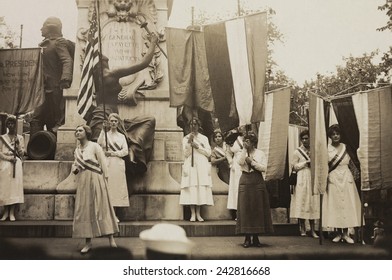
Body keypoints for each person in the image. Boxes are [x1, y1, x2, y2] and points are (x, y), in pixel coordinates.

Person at [86, 33, 158, 175]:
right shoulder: (110, 74)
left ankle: (131, 148)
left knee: (148, 120)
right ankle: (131, 152)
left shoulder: (95, 78)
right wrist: (153, 43)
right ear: (104, 63)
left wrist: (90, 42)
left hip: (107, 116)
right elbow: (144, 63)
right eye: (106, 61)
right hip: (105, 116)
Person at [71, 124, 118, 254]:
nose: (77, 132)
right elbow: (76, 165)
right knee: (85, 209)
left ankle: (111, 240)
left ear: (86, 132)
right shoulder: (77, 150)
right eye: (76, 130)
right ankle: (88, 242)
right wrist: (75, 168)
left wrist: (106, 180)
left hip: (96, 179)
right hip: (83, 181)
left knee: (102, 207)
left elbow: (103, 163)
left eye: (80, 130)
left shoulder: (95, 146)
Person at [31, 17, 74, 135]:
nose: (41, 29)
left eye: (43, 26)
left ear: (50, 27)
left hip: (55, 87)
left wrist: (66, 78)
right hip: (42, 89)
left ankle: (53, 149)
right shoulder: (43, 45)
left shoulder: (59, 42)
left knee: (55, 121)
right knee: (36, 118)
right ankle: (35, 149)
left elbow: (67, 60)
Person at [322, 124, 362, 244]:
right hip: (333, 176)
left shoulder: (346, 147)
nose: (335, 136)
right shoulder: (327, 149)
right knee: (336, 204)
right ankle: (338, 233)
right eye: (333, 134)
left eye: (337, 134)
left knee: (347, 204)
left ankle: (346, 233)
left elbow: (354, 162)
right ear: (330, 136)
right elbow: (324, 165)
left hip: (346, 176)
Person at [236, 132, 273, 248]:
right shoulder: (240, 152)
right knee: (245, 208)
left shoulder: (260, 153)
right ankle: (247, 237)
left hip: (256, 180)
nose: (246, 143)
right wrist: (244, 151)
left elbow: (264, 168)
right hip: (245, 180)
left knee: (257, 209)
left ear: (253, 143)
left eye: (248, 141)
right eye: (244, 141)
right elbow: (240, 162)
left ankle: (256, 237)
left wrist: (252, 162)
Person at [180, 117, 213, 222]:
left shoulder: (204, 138)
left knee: (199, 187)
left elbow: (208, 153)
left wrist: (198, 146)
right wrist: (189, 143)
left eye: (195, 124)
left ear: (198, 126)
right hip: (190, 165)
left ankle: (199, 213)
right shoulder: (185, 138)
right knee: (192, 187)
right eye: (191, 124)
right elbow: (185, 154)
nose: (193, 126)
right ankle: (193, 214)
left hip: (201, 165)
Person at [97, 113, 130, 220]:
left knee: (116, 188)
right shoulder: (105, 135)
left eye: (115, 121)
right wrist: (102, 130)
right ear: (108, 122)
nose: (113, 123)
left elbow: (125, 151)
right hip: (107, 163)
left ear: (118, 122)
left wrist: (113, 153)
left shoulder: (121, 136)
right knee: (107, 186)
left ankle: (114, 214)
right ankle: (106, 215)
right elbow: (99, 144)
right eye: (111, 121)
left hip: (117, 163)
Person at [289, 129, 320, 238]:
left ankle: (312, 229)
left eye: (307, 138)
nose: (305, 140)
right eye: (303, 139)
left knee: (312, 202)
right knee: (302, 201)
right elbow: (294, 166)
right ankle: (302, 228)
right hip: (302, 177)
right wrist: (306, 163)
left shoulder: (314, 150)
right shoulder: (297, 151)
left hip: (312, 177)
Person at [0, 115, 24, 221]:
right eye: (9, 123)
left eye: (13, 123)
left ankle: (12, 212)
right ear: (7, 125)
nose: (11, 125)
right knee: (5, 187)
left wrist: (18, 145)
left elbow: (22, 153)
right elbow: (0, 153)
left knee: (14, 187)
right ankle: (5, 212)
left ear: (15, 125)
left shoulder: (20, 137)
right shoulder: (2, 138)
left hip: (16, 163)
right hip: (5, 163)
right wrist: (8, 158)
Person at [226, 125, 246, 219]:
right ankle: (237, 211)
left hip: (247, 162)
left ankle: (246, 211)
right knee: (236, 187)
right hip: (236, 165)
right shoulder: (233, 138)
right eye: (241, 127)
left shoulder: (249, 138)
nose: (243, 128)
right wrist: (230, 163)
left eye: (244, 127)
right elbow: (228, 152)